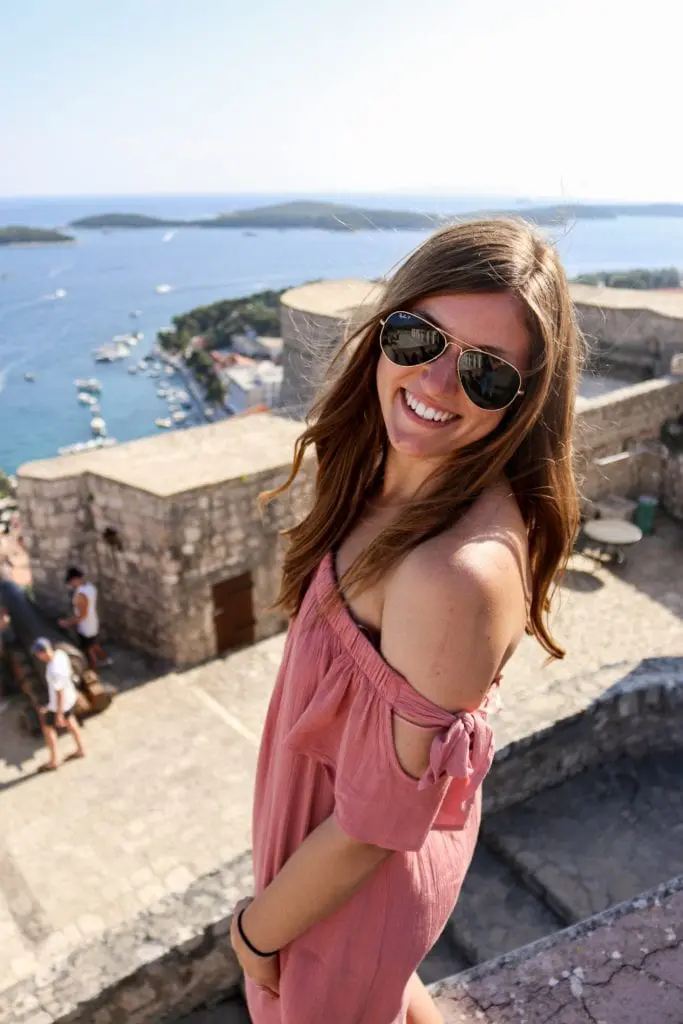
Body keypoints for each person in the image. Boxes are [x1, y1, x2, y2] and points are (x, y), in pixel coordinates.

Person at [229, 219, 584, 1024]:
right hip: (338, 856)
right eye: (419, 337)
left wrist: (254, 934)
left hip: (344, 886)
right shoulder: (392, 476)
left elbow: (372, 828)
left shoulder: (449, 572)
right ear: (386, 327)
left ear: (523, 404)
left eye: (487, 375)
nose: (437, 382)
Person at [32, 637, 86, 771]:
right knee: (71, 721)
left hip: (59, 704)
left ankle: (54, 761)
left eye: (38, 654)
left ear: (42, 652)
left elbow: (59, 693)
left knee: (47, 728)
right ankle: (81, 749)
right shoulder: (61, 654)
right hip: (70, 697)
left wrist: (59, 714)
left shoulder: (53, 670)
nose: (37, 657)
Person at [58, 567, 111, 670]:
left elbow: (82, 615)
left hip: (86, 626)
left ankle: (94, 669)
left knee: (89, 649)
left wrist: (67, 623)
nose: (71, 584)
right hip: (93, 621)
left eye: (71, 581)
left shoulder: (81, 595)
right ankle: (106, 659)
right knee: (94, 644)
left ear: (76, 579)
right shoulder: (90, 587)